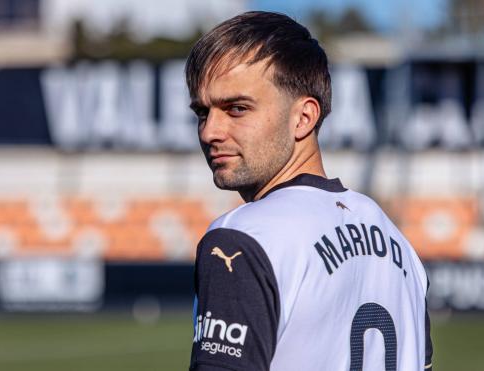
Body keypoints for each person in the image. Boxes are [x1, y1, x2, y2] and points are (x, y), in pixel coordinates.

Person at [185, 11, 432, 371]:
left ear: (303, 117)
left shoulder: (243, 238)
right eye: (202, 113)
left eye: (237, 109)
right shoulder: (399, 245)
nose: (210, 132)